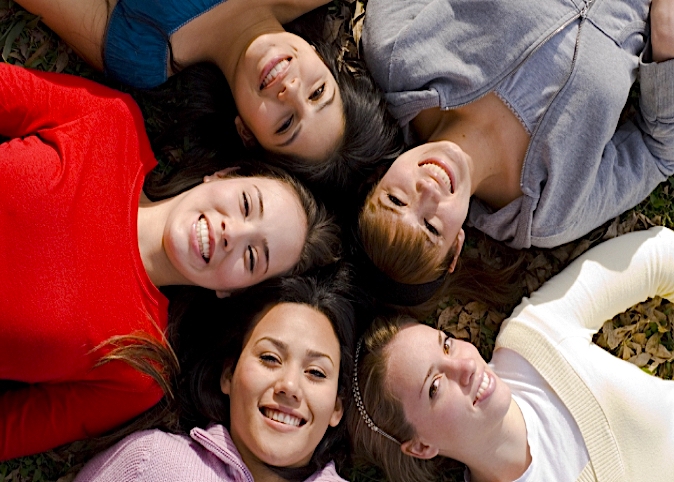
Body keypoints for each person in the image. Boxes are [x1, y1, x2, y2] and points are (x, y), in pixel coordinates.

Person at [0, 63, 339, 460]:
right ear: (223, 175)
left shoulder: (140, 365)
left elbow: (10, 431)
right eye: (247, 204)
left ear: (230, 290)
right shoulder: (110, 120)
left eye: (252, 257)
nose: (233, 232)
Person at [357, 0, 674, 303]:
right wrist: (665, 38)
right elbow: (658, 153)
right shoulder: (554, 209)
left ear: (378, 178)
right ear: (455, 247)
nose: (427, 191)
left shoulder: (396, 57)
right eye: (431, 227)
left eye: (395, 200)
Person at [349, 226, 674, 482]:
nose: (464, 366)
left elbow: (659, 256)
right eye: (434, 386)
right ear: (421, 446)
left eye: (446, 344)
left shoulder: (535, 339)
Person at [14, 0, 402, 192]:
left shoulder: (141, 52)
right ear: (325, 60)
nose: (291, 91)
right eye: (319, 92)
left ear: (246, 133)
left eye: (285, 124)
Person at [73, 268, 355, 482]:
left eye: (316, 372)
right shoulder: (151, 462)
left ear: (336, 408)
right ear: (228, 375)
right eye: (270, 358)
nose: (290, 386)